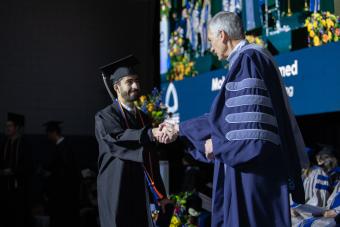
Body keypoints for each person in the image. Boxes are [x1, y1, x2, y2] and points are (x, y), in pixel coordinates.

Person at [160, 12, 309, 226]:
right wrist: (180, 129)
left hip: (252, 173)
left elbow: (247, 129)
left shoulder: (248, 59)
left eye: (210, 41)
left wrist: (219, 144)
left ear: (222, 35)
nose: (211, 49)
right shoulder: (254, 58)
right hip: (259, 170)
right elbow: (231, 118)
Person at [95, 55, 171, 227]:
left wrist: (161, 195)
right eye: (129, 82)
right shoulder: (105, 116)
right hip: (116, 189)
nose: (136, 86)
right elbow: (118, 138)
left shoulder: (144, 119)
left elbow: (151, 161)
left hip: (140, 190)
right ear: (116, 87)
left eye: (137, 81)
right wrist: (150, 134)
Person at [42, 121, 80, 227]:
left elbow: (65, 170)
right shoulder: (64, 146)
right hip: (62, 191)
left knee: (62, 218)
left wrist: (51, 174)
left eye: (49, 134)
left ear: (53, 133)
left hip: (63, 192)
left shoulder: (63, 148)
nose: (48, 137)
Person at [0, 113, 32, 227]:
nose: (7, 128)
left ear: (17, 128)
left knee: (19, 216)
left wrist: (13, 171)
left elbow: (28, 165)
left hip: (19, 188)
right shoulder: (4, 143)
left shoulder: (24, 144)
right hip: (5, 187)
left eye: (10, 126)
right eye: (6, 126)